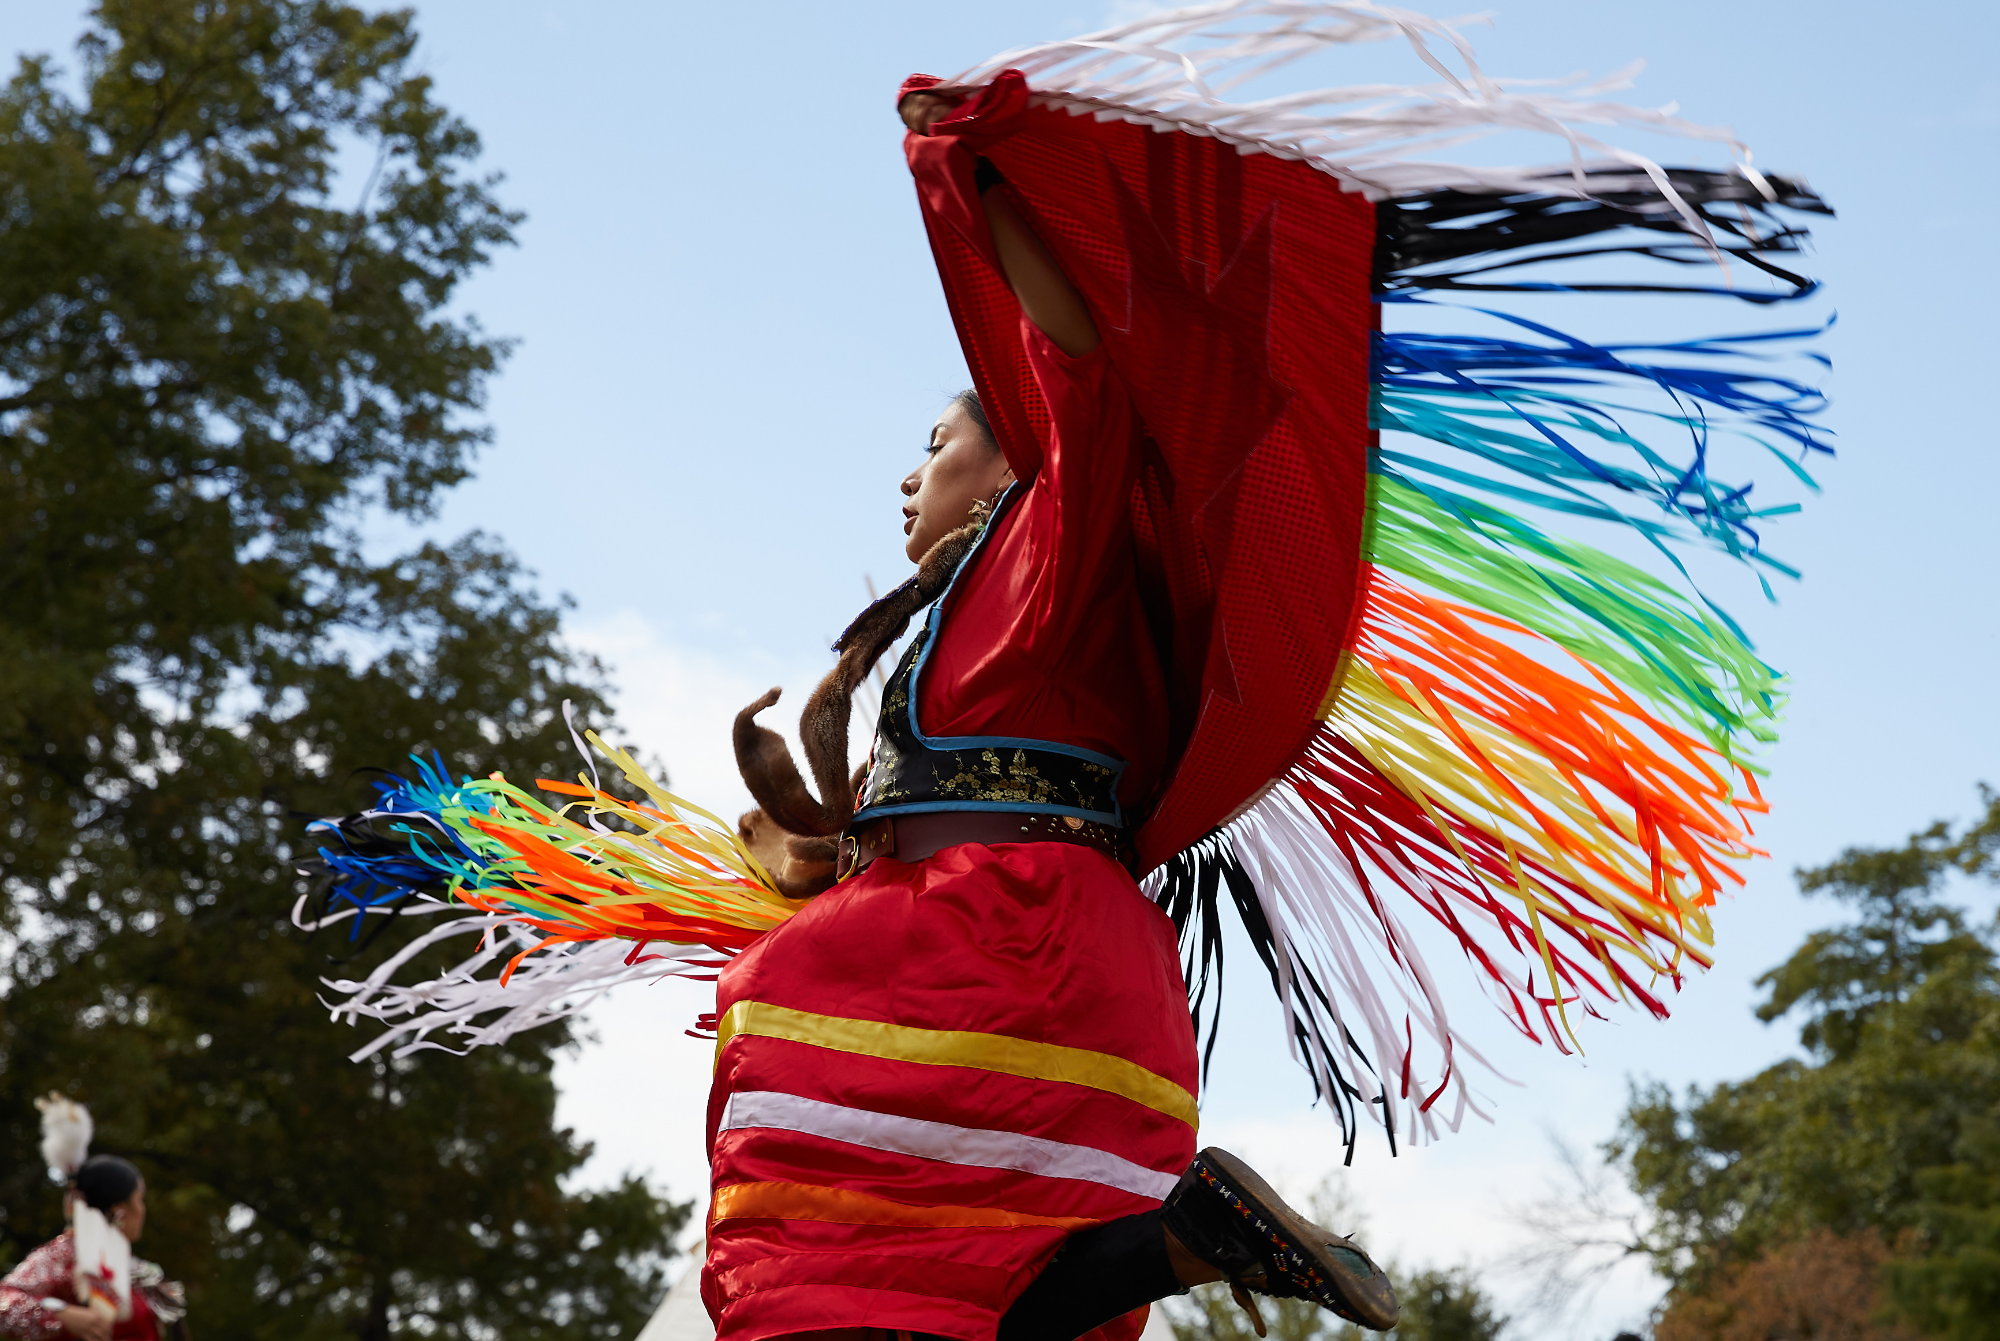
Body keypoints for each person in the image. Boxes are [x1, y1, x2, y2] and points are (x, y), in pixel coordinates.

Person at [695, 88, 1398, 1341]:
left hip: (999, 951)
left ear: (1011, 456)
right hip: (1065, 977)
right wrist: (815, 845)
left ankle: (1172, 1239)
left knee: (818, 1252)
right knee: (989, 1297)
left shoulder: (1053, 542)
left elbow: (1080, 368)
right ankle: (1174, 1243)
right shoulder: (967, 617)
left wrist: (986, 182)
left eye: (934, 442)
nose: (905, 477)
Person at [0, 1101, 187, 1341]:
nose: (143, 1210)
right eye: (139, 1200)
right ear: (120, 1209)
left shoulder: (140, 1271)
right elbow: (4, 1299)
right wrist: (60, 1312)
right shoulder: (66, 1253)